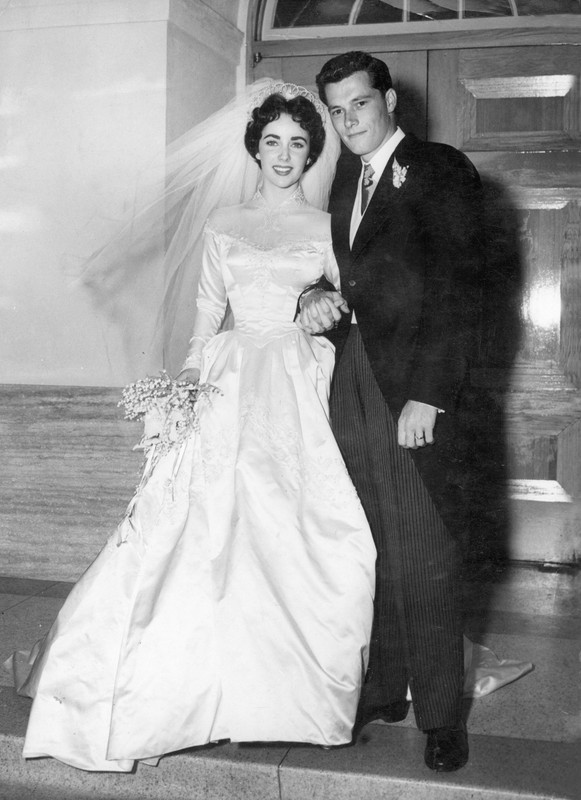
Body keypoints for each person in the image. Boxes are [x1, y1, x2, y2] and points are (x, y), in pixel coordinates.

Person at [9, 83, 377, 772]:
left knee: (297, 529)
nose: (284, 155)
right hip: (228, 379)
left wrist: (325, 304)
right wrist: (180, 396)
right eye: (272, 140)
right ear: (253, 147)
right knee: (201, 527)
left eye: (298, 142)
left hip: (297, 383)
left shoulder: (327, 227)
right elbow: (207, 318)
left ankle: (282, 697)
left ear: (312, 153)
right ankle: (185, 690)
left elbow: (355, 303)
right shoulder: (223, 224)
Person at [299, 51, 486, 772]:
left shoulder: (439, 170)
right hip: (351, 386)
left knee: (423, 554)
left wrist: (430, 393)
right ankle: (383, 687)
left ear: (389, 102)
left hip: (411, 393)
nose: (348, 121)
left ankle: (441, 716)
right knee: (366, 546)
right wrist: (308, 296)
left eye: (359, 105)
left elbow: (457, 287)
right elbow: (329, 272)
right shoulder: (343, 181)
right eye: (336, 110)